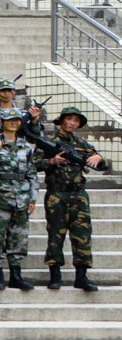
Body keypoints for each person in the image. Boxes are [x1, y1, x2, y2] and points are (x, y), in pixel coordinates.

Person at [40, 106, 104, 291]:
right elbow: (34, 164)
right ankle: (55, 276)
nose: (72, 123)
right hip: (56, 194)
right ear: (61, 121)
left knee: (82, 235)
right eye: (69, 119)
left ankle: (82, 276)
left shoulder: (82, 144)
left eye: (76, 120)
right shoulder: (49, 143)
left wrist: (99, 157)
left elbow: (100, 163)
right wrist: (51, 162)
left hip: (79, 195)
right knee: (56, 235)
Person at [0, 111, 39, 292]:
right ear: (1, 122)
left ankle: (16, 275)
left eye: (16, 120)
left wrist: (33, 198)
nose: (13, 123)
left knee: (18, 238)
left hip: (21, 198)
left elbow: (32, 173)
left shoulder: (25, 146)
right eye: (9, 120)